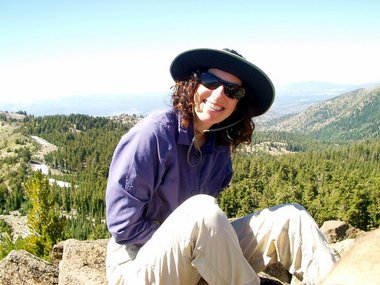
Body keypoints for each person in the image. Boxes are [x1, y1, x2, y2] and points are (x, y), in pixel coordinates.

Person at [105, 48, 338, 285]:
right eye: (210, 81)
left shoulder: (218, 146)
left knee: (291, 218)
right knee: (202, 210)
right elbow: (123, 226)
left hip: (193, 251)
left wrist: (204, 245)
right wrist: (192, 243)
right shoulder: (152, 135)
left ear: (238, 103)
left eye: (232, 90)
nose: (219, 95)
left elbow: (204, 228)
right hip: (136, 264)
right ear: (192, 83)